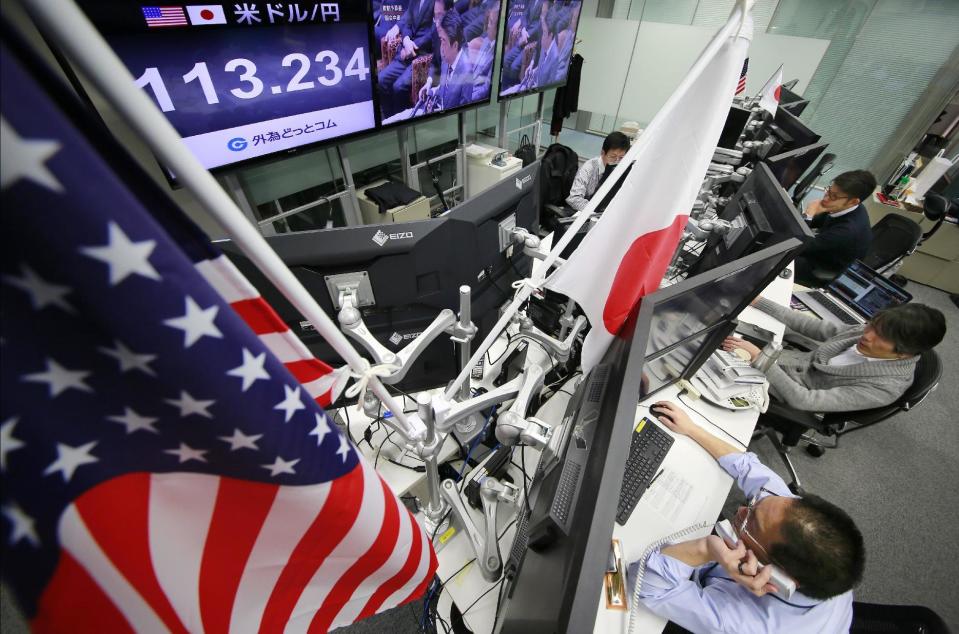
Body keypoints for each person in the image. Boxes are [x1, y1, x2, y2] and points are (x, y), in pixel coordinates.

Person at [632, 400, 865, 633]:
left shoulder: (747, 625)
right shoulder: (800, 526)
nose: (742, 509)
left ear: (776, 574)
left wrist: (706, 548)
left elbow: (645, 584)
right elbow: (747, 467)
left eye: (751, 520)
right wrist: (691, 429)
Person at [723, 299, 946, 412]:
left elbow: (803, 400)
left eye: (880, 336)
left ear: (904, 353)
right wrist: (761, 302)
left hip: (778, 390)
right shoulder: (874, 331)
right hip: (777, 361)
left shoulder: (884, 388)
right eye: (871, 326)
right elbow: (818, 328)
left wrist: (763, 359)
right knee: (721, 320)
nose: (867, 335)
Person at [794, 170, 876, 288]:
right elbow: (820, 220)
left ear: (853, 201)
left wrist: (808, 216)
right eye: (829, 191)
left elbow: (799, 247)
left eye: (834, 196)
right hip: (820, 250)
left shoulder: (847, 230)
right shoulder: (847, 206)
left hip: (821, 268)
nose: (826, 198)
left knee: (776, 257)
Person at [566, 131, 631, 211]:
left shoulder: (620, 171)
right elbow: (574, 199)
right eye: (613, 156)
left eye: (621, 158)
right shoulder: (589, 168)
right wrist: (594, 212)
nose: (617, 161)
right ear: (603, 153)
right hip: (582, 213)